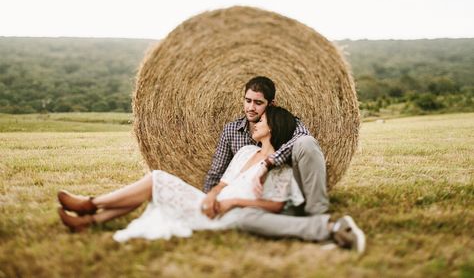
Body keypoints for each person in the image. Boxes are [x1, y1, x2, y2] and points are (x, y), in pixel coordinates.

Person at [58, 106, 304, 241]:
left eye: (261, 121)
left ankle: (89, 205)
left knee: (157, 180)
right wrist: (212, 194)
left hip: (226, 215)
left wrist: (234, 201)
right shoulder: (247, 151)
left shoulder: (281, 167)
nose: (255, 123)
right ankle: (87, 219)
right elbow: (224, 182)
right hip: (212, 203)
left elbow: (277, 206)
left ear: (273, 127)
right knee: (156, 185)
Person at [202, 76, 365, 253]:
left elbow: (302, 138)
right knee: (246, 218)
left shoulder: (286, 123)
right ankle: (324, 229)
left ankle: (318, 215)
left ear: (271, 104)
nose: (251, 107)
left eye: (258, 102)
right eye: (247, 101)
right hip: (252, 202)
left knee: (307, 143)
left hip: (284, 191)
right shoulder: (232, 131)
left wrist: (269, 162)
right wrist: (207, 198)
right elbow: (218, 171)